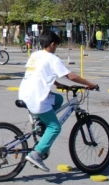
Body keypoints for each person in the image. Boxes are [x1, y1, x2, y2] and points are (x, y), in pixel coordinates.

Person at [18, 30, 98, 172]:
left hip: (24, 94)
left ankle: (41, 124)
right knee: (55, 127)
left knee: (59, 99)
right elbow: (71, 76)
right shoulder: (52, 58)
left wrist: (57, 84)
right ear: (52, 44)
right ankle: (36, 154)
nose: (56, 49)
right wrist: (89, 84)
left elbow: (40, 74)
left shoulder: (35, 55)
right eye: (56, 46)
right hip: (38, 98)